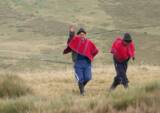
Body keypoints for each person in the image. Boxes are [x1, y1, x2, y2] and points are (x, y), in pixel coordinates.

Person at [63, 27, 99, 95]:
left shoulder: (88, 42)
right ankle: (82, 92)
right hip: (78, 63)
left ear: (85, 35)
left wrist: (91, 57)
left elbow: (94, 51)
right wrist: (71, 33)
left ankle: (81, 87)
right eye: (80, 34)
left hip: (87, 63)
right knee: (80, 78)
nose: (82, 35)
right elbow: (71, 40)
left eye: (83, 34)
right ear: (78, 35)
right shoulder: (75, 41)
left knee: (88, 78)